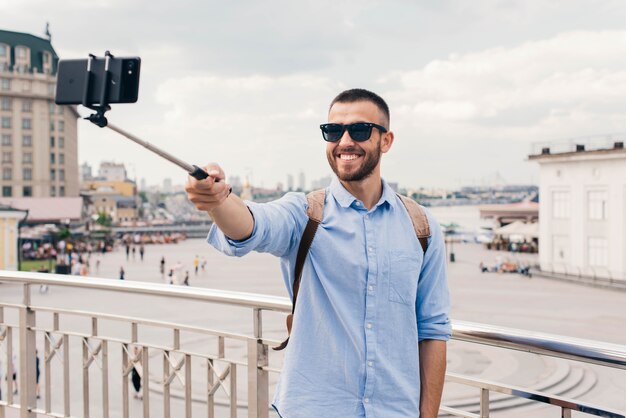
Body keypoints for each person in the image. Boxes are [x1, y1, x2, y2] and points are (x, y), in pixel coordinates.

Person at [186, 89, 451, 418]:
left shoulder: (421, 227)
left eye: (359, 130)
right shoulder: (305, 214)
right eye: (333, 131)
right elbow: (253, 225)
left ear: (386, 140)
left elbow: (433, 331)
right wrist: (218, 200)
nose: (344, 141)